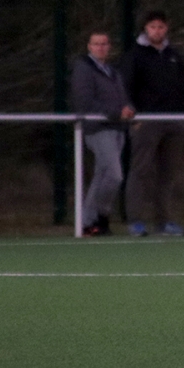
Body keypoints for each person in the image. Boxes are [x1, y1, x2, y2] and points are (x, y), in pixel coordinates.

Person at [120, 10, 184, 237]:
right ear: (145, 29)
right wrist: (134, 115)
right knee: (140, 171)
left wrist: (183, 115)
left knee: (167, 173)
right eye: (152, 27)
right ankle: (136, 221)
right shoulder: (135, 55)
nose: (157, 31)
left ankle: (164, 221)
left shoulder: (173, 55)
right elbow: (125, 87)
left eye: (160, 27)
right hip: (146, 121)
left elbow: (183, 86)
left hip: (174, 121)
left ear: (166, 28)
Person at [70, 30, 135, 236]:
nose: (101, 47)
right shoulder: (83, 69)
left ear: (109, 47)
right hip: (99, 129)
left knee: (102, 176)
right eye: (96, 44)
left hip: (116, 128)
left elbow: (123, 98)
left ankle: (87, 222)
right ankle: (101, 215)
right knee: (114, 175)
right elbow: (85, 102)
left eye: (104, 44)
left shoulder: (112, 71)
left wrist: (129, 109)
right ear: (89, 47)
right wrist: (116, 113)